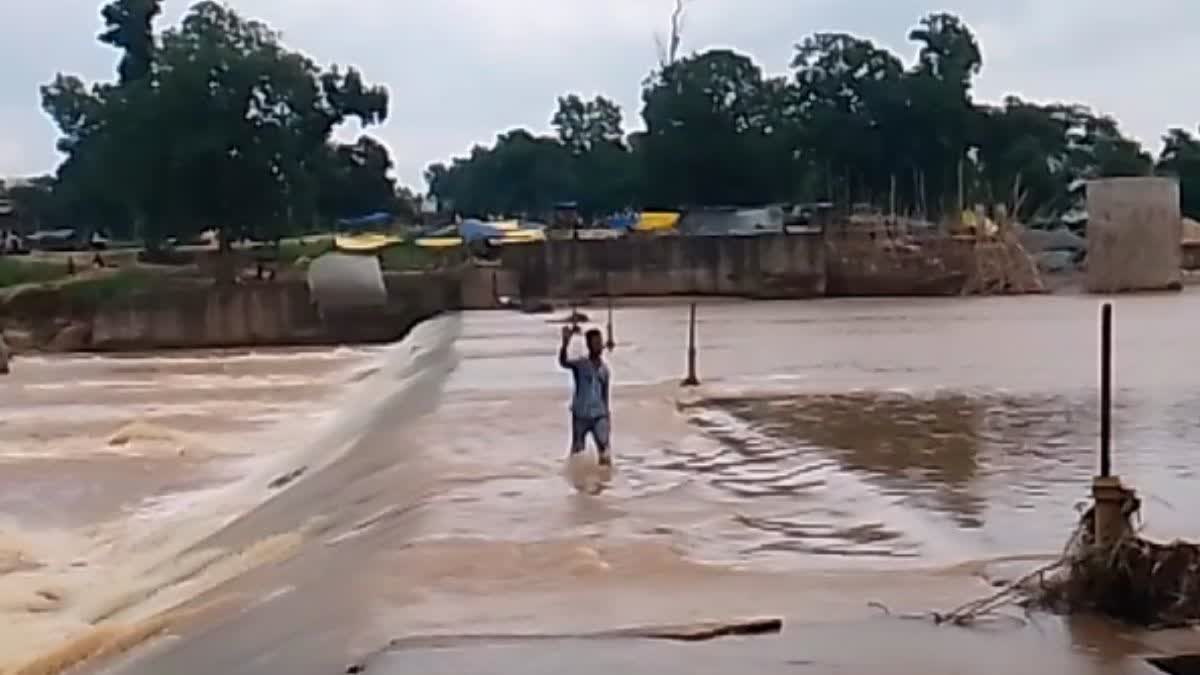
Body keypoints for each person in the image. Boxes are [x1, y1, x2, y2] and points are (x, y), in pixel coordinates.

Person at [558, 325, 612, 466]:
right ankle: (576, 483)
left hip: (599, 415)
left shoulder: (605, 370)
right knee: (577, 452)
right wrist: (565, 344)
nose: (599, 346)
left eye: (600, 343)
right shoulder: (581, 365)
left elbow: (605, 395)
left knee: (605, 451)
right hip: (581, 415)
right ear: (588, 345)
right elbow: (563, 362)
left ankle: (604, 484)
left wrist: (607, 417)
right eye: (595, 343)